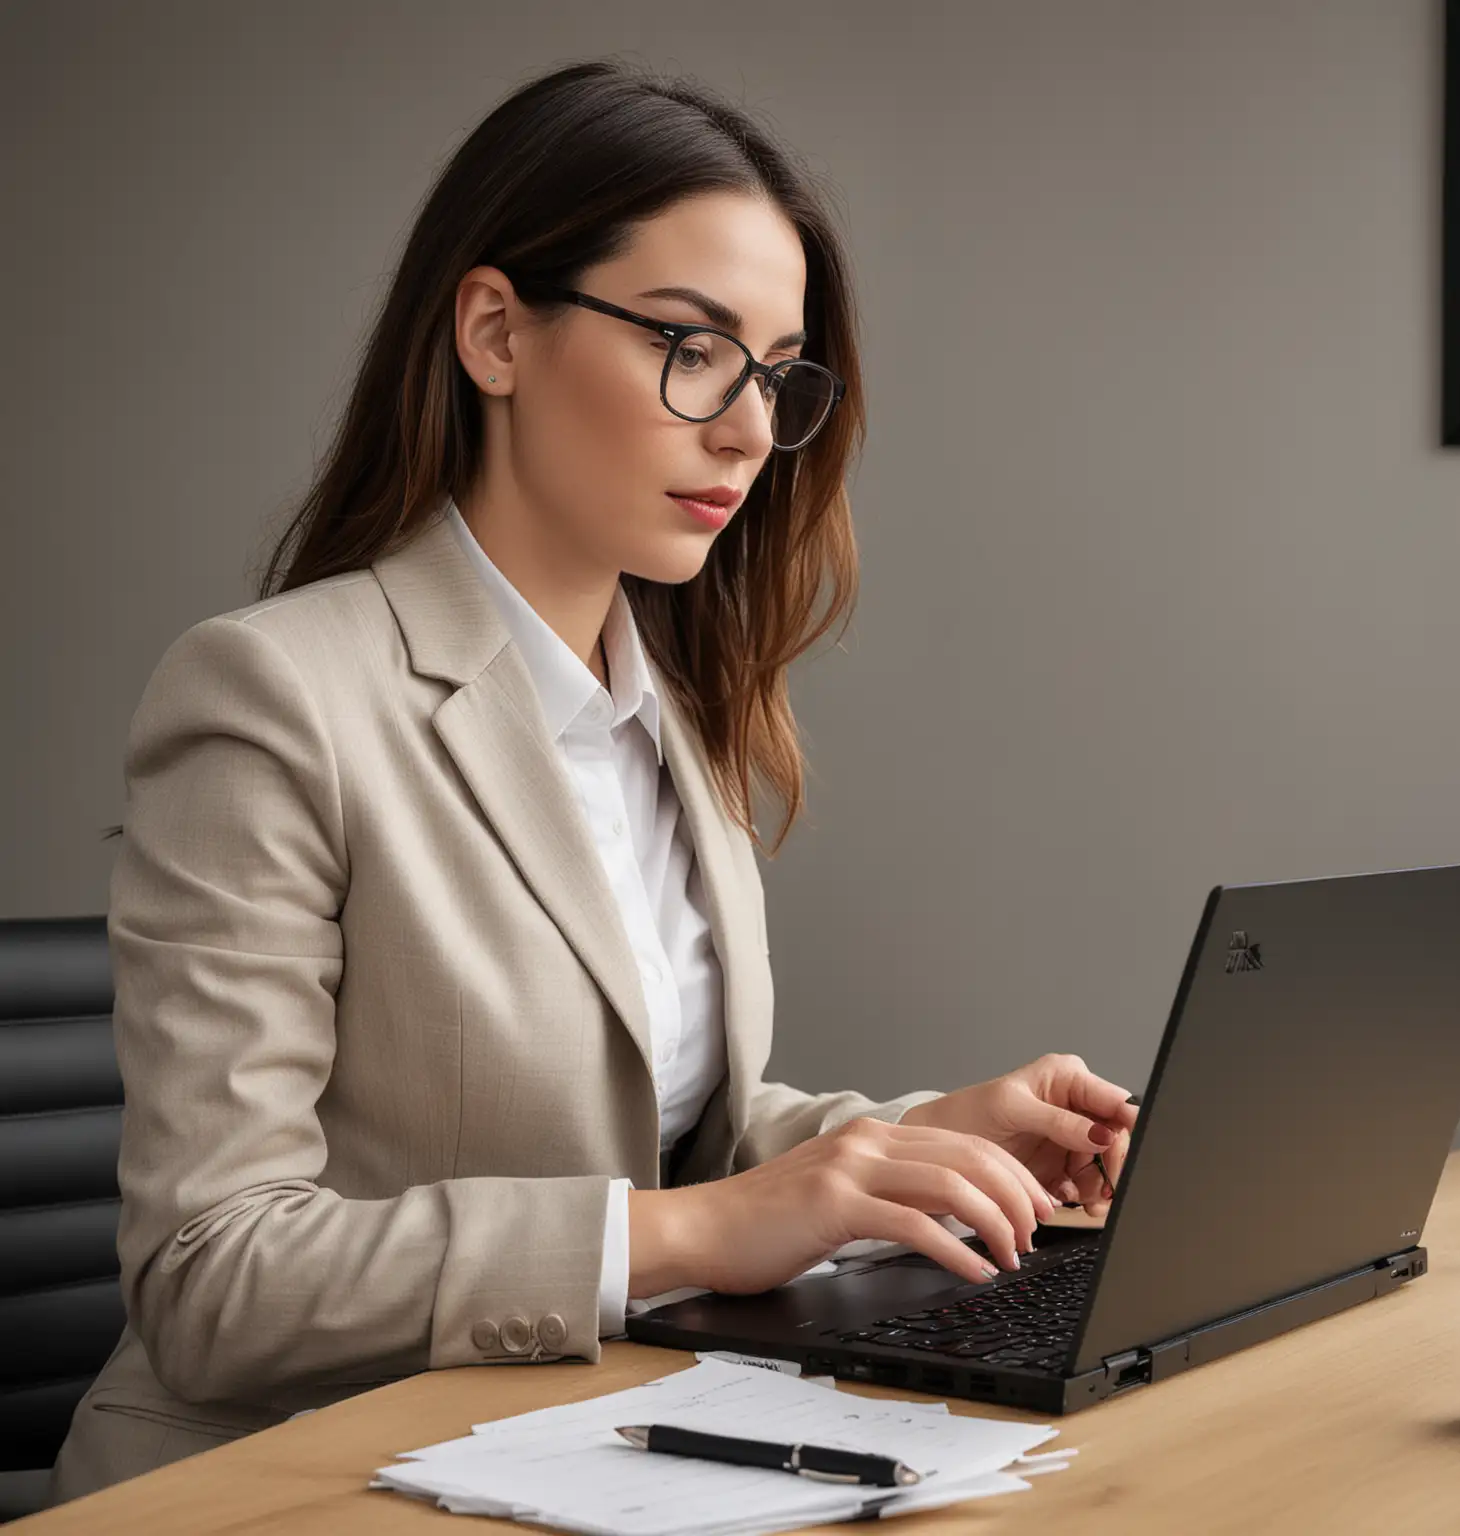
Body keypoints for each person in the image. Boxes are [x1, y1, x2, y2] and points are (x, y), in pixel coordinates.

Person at [48, 58, 1139, 1504]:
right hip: (278, 1482)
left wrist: (925, 1140)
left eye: (777, 373)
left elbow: (671, 1134)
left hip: (571, 1453)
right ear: (496, 331)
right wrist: (695, 1234)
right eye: (692, 347)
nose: (750, 429)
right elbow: (213, 1276)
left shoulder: (668, 711)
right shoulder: (269, 696)